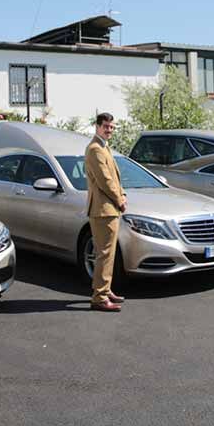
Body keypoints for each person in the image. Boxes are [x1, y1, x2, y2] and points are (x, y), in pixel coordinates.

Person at [84, 112, 127, 312]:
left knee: (108, 254)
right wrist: (120, 200)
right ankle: (99, 298)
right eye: (106, 126)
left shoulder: (103, 147)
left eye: (111, 127)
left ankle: (105, 289)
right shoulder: (95, 149)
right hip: (103, 209)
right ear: (97, 126)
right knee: (104, 254)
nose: (109, 130)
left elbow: (115, 178)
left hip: (109, 208)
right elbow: (105, 181)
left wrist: (123, 194)